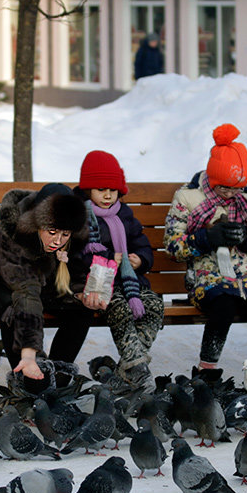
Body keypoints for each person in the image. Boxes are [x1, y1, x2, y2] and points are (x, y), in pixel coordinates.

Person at [0, 183, 104, 394]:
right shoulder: (14, 240)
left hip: (34, 280)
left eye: (65, 234)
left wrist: (81, 293)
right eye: (52, 232)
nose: (58, 241)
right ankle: (27, 379)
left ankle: (57, 372)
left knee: (80, 308)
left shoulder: (69, 236)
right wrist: (29, 354)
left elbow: (72, 273)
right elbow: (25, 294)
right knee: (12, 306)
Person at [163, 123, 247, 371]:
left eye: (237, 187)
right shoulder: (188, 198)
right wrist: (205, 238)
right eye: (224, 186)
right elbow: (171, 246)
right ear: (212, 179)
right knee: (223, 304)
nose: (231, 194)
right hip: (206, 276)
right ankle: (207, 371)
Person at [74, 150, 165, 390]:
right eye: (101, 189)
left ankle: (127, 369)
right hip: (100, 284)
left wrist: (140, 260)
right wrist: (108, 259)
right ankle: (137, 368)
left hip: (130, 282)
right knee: (120, 309)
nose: (107, 195)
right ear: (88, 189)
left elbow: (141, 244)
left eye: (112, 190)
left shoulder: (124, 216)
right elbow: (77, 256)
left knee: (154, 305)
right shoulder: (79, 216)